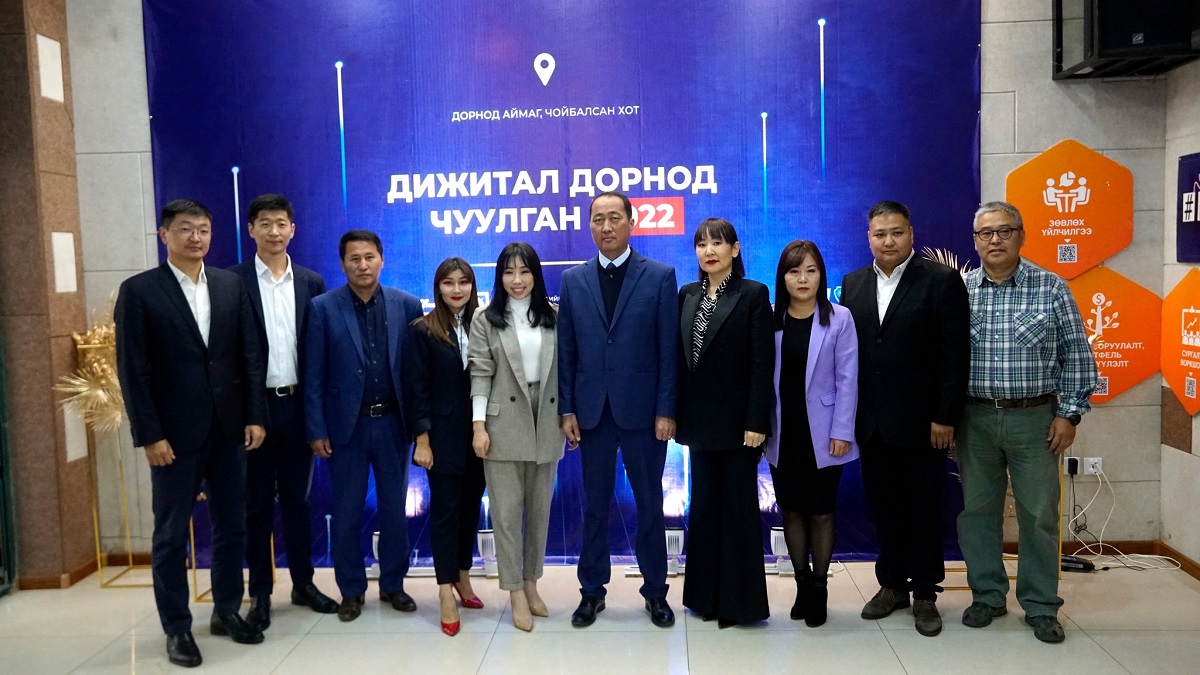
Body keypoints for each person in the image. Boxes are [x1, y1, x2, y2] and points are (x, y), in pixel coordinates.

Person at [115, 199, 267, 668]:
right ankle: (177, 628)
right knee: (170, 535)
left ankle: (226, 610)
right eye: (185, 229)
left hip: (229, 428)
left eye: (203, 229)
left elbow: (249, 355)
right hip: (173, 437)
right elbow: (133, 370)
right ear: (164, 235)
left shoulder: (229, 284)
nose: (195, 237)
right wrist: (150, 435)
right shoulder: (140, 291)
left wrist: (254, 415)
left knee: (232, 525)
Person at [956, 201, 1097, 644]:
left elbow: (1078, 356)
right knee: (978, 512)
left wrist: (1069, 414)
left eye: (1004, 231)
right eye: (986, 233)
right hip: (974, 418)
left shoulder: (1051, 287)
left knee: (1038, 515)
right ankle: (987, 596)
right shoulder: (960, 290)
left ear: (1021, 235)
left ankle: (1040, 605)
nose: (995, 240)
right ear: (975, 240)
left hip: (1035, 420)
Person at [840, 200, 970, 637]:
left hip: (924, 424)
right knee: (884, 507)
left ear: (911, 234)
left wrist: (945, 416)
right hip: (872, 423)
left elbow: (955, 355)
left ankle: (926, 594)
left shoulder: (940, 280)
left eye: (896, 232)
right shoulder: (853, 283)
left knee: (924, 509)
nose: (888, 241)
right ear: (869, 238)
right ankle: (892, 585)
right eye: (880, 234)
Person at [558, 190, 680, 628]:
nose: (606, 226)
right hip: (592, 413)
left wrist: (666, 409)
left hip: (644, 413)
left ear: (632, 222)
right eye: (598, 219)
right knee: (594, 506)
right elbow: (567, 350)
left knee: (649, 504)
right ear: (589, 226)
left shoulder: (659, 276)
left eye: (614, 218)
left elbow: (669, 350)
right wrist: (567, 409)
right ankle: (591, 592)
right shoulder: (573, 280)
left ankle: (656, 592)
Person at [228, 194, 337, 631]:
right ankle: (260, 593)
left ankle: (303, 584)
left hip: (298, 406)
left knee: (298, 501)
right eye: (265, 223)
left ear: (293, 229)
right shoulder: (231, 282)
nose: (274, 231)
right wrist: (248, 413)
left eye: (281, 223)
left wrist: (318, 415)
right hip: (255, 413)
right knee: (255, 505)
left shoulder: (312, 282)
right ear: (251, 230)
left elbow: (320, 352)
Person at [303, 229, 424, 622]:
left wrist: (419, 425)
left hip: (392, 423)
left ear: (382, 259)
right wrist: (316, 429)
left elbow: (415, 372)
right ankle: (351, 590)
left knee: (394, 510)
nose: (362, 265)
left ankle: (393, 584)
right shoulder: (322, 308)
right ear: (343, 264)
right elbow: (313, 374)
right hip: (346, 428)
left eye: (369, 257)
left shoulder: (406, 305)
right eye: (354, 258)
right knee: (347, 511)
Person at [674, 218, 773, 628]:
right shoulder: (687, 294)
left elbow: (762, 364)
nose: (709, 251)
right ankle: (704, 598)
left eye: (717, 243)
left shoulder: (753, 294)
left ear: (735, 249)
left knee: (737, 512)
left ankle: (739, 604)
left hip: (739, 427)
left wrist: (757, 420)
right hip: (699, 425)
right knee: (704, 510)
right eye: (701, 244)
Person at [468, 242, 564, 632]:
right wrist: (478, 426)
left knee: (539, 513)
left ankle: (532, 583)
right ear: (500, 277)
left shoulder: (553, 316)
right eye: (509, 272)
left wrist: (568, 417)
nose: (517, 280)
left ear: (536, 275)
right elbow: (480, 373)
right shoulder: (485, 318)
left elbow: (565, 371)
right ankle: (514, 593)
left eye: (524, 271)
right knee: (507, 515)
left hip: (546, 418)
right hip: (502, 421)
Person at [764, 240, 860, 628]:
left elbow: (848, 379)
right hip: (782, 432)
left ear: (821, 275)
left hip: (825, 433)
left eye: (811, 271)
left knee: (820, 512)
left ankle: (819, 587)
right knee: (790, 510)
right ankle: (802, 584)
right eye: (794, 271)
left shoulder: (839, 318)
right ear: (782, 278)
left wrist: (843, 430)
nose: (802, 279)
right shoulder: (771, 318)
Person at [402, 257, 487, 637]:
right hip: (441, 439)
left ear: (472, 286)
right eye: (448, 283)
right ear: (437, 287)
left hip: (480, 437)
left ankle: (463, 577)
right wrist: (422, 440)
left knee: (470, 510)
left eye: (463, 282)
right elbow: (416, 389)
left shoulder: (484, 324)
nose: (456, 289)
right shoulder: (422, 330)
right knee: (445, 513)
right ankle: (444, 590)